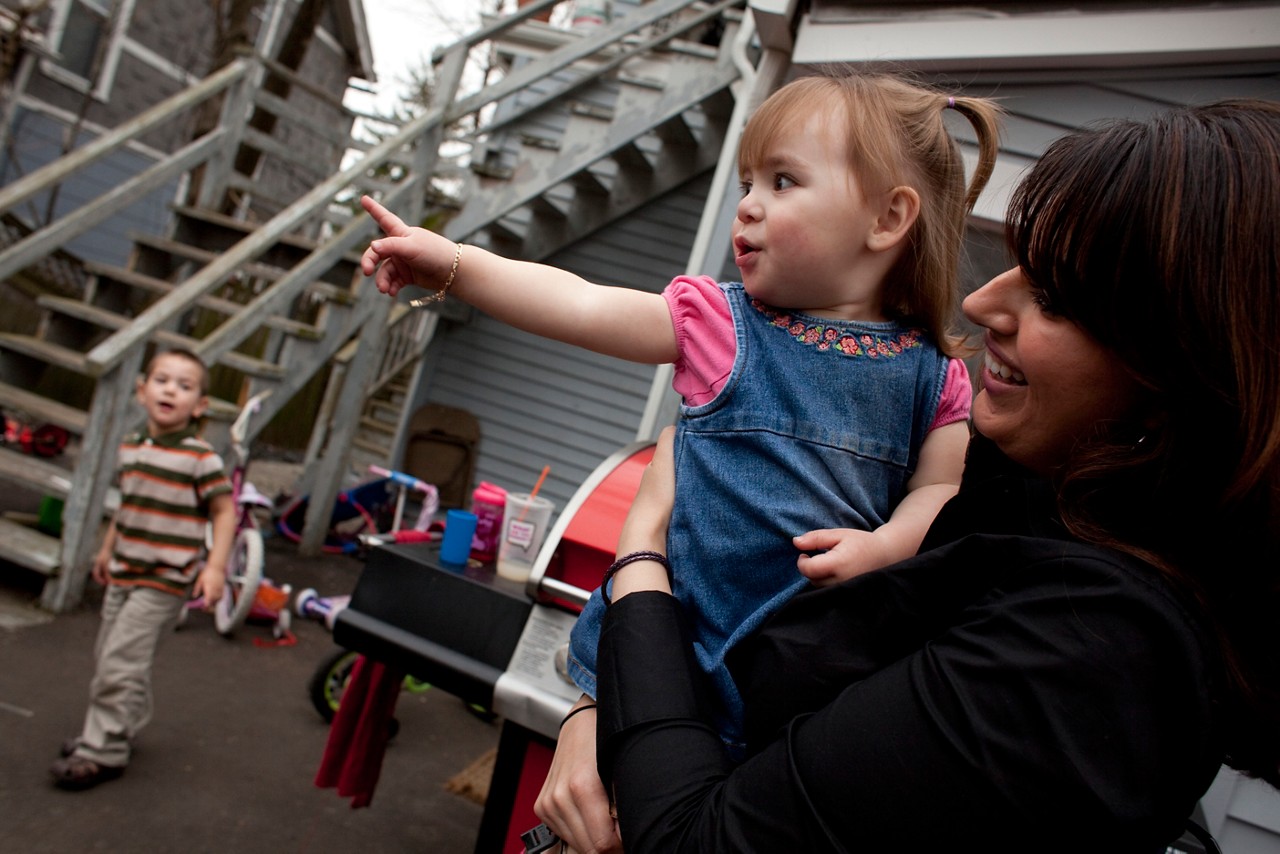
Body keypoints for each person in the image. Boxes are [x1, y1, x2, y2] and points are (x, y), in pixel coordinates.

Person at [537, 99, 1280, 852]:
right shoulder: (1024, 487)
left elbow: (694, 841)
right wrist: (599, 707)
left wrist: (640, 556)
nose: (982, 300)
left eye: (1055, 295)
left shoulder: (1094, 653)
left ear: (1191, 368)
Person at [361, 71, 1003, 748]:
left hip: (792, 694)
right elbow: (581, 303)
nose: (748, 206)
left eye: (782, 181)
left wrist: (884, 547)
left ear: (888, 219)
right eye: (747, 184)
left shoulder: (935, 378)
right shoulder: (722, 325)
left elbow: (940, 490)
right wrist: (456, 264)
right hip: (658, 655)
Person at [50, 348, 236, 790]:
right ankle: (117, 726)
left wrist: (214, 568)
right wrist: (105, 550)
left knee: (118, 664)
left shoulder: (200, 458)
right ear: (142, 390)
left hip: (164, 580)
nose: (171, 389)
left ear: (200, 405)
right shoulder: (132, 447)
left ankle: (104, 750)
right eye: (162, 380)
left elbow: (225, 513)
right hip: (125, 570)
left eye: (185, 385)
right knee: (115, 658)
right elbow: (128, 506)